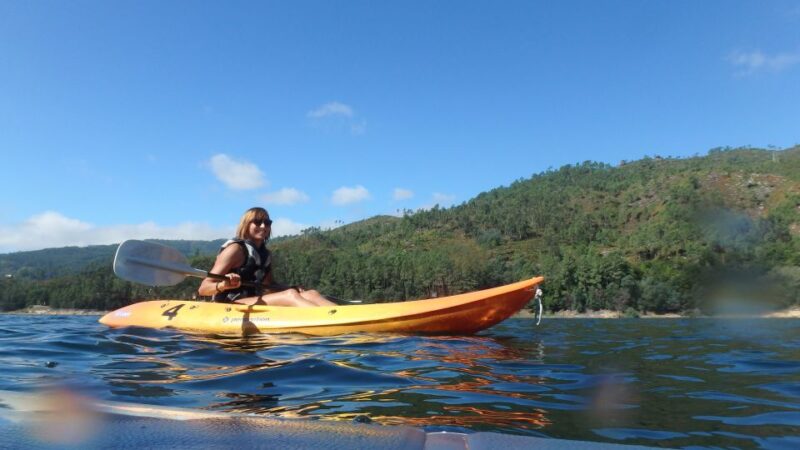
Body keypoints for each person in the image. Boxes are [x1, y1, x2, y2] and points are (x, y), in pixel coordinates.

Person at [198, 207, 335, 307]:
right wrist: (223, 284)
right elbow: (203, 288)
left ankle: (341, 316)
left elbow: (269, 286)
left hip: (253, 301)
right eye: (257, 222)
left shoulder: (265, 254)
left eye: (267, 223)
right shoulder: (235, 250)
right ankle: (327, 320)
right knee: (290, 295)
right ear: (246, 225)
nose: (263, 226)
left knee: (311, 294)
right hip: (229, 304)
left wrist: (291, 287)